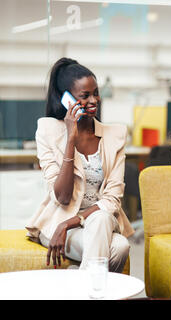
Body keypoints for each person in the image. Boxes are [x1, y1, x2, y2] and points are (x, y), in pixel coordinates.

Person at [26, 57, 134, 273]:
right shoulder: (47, 130)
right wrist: (70, 139)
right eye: (85, 96)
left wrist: (69, 224)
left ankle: (78, 286)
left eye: (95, 92)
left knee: (102, 217)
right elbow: (62, 196)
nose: (94, 100)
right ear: (66, 99)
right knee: (120, 247)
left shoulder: (115, 135)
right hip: (58, 220)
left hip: (90, 221)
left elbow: (112, 200)